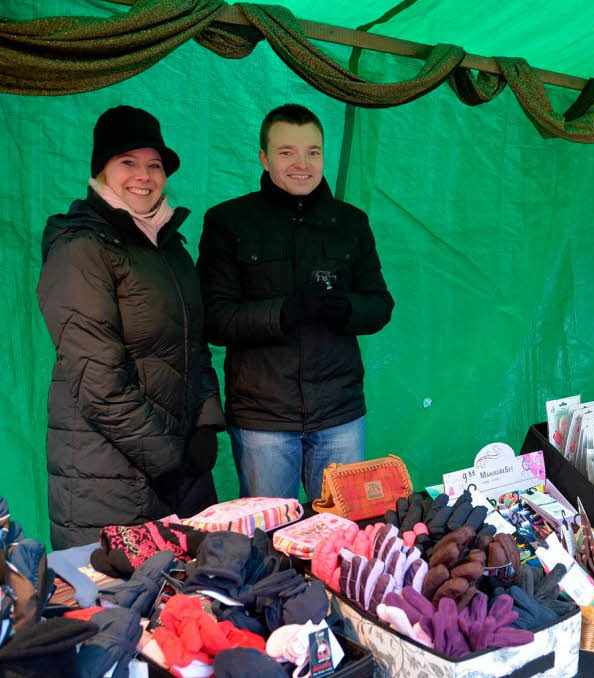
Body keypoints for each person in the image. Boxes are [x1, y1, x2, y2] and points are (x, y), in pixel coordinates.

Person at [37, 106, 224, 549]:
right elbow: (99, 381)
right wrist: (168, 459)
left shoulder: (171, 248)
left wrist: (206, 424)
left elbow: (195, 347)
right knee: (119, 611)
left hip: (178, 474)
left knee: (190, 607)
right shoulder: (80, 248)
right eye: (128, 162)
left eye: (154, 165)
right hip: (107, 479)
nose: (144, 176)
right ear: (101, 169)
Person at [197, 104, 394, 502]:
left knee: (341, 533)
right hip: (263, 420)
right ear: (264, 159)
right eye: (287, 152)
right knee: (270, 538)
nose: (302, 163)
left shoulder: (351, 222)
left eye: (314, 152)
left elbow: (380, 304)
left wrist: (347, 309)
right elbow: (214, 318)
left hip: (340, 415)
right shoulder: (228, 221)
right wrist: (284, 313)